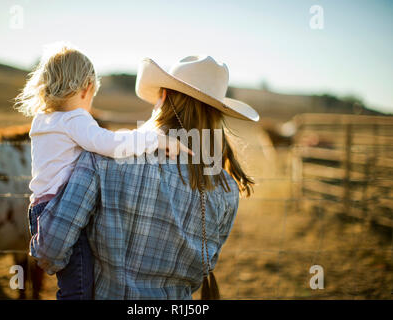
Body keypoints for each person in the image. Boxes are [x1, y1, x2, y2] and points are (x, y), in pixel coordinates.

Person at [31, 55, 260, 299]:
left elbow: (51, 250)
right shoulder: (226, 189)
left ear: (162, 97)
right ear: (216, 116)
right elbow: (203, 268)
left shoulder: (103, 159)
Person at [15, 43, 190, 299]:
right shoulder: (75, 119)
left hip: (40, 208)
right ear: (87, 88)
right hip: (62, 209)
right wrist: (156, 139)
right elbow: (109, 144)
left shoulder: (43, 120)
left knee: (72, 282)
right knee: (79, 287)